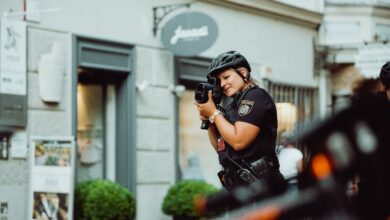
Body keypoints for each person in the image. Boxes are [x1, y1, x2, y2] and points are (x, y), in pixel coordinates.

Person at [195, 51, 285, 192]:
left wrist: (214, 112)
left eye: (226, 77)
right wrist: (210, 120)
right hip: (239, 190)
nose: (223, 84)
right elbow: (220, 147)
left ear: (243, 72)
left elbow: (238, 141)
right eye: (219, 80)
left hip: (261, 188)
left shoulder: (255, 96)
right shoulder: (233, 106)